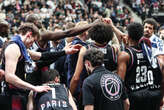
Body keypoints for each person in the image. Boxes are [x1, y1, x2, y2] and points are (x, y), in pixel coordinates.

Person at [0, 23, 81, 110]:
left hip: (19, 92)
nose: (33, 44)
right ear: (29, 35)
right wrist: (34, 88)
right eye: (33, 41)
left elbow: (42, 56)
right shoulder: (13, 48)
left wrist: (64, 52)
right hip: (11, 95)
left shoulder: (21, 47)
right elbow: (9, 77)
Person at [117, 22, 163, 110]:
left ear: (128, 36)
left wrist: (124, 100)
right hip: (150, 92)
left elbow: (120, 82)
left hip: (133, 96)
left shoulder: (125, 55)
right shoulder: (149, 51)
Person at [70, 23, 119, 95]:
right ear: (109, 35)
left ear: (92, 34)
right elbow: (117, 42)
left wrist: (70, 95)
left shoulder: (85, 49)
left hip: (91, 88)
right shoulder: (114, 49)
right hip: (109, 89)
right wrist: (111, 26)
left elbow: (76, 78)